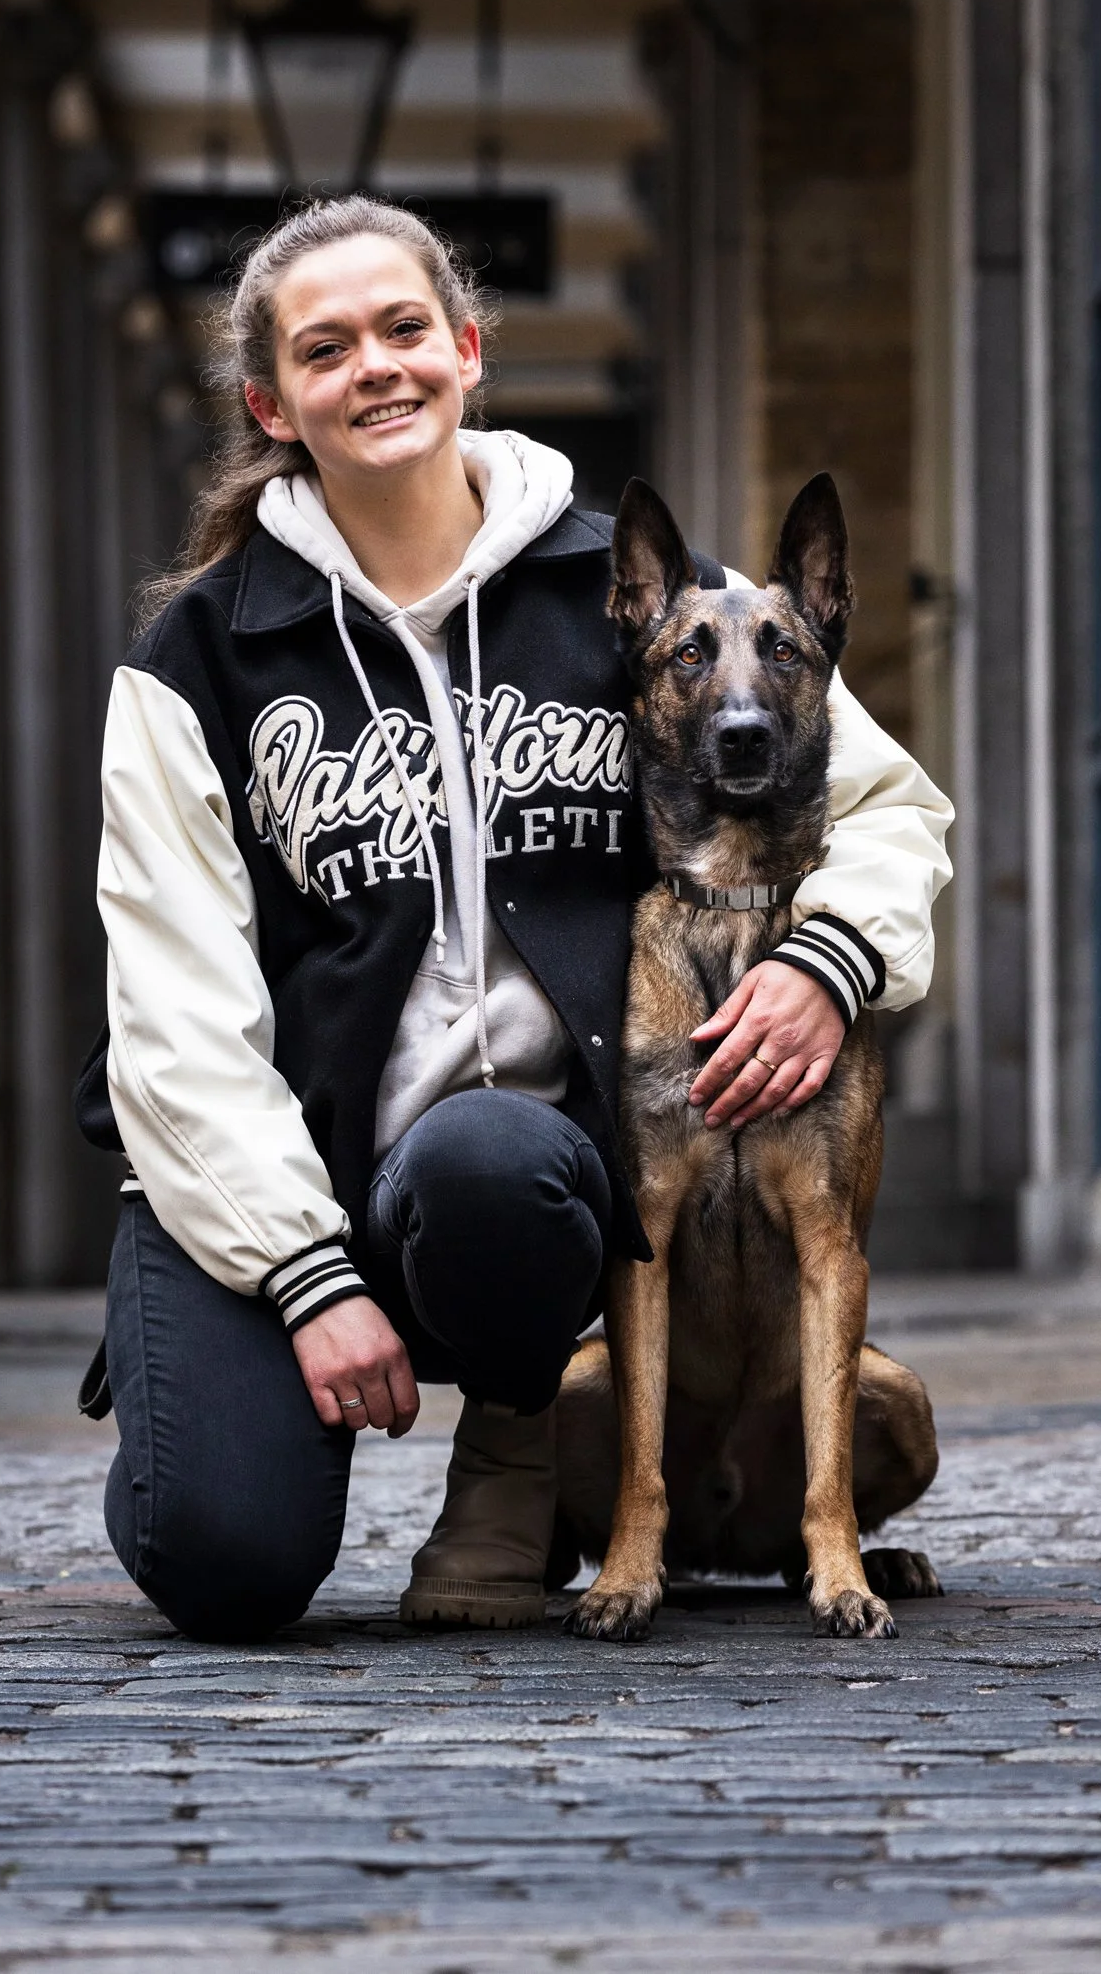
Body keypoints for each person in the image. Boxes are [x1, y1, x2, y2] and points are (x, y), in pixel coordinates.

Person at [76, 193, 953, 1641]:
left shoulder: (644, 607)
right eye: (327, 348)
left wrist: (826, 959)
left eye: (405, 329)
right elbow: (169, 1016)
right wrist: (301, 1272)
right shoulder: (196, 660)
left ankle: (509, 1465)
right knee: (221, 1562)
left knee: (499, 1151)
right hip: (272, 1170)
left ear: (467, 348)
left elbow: (888, 805)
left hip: (509, 1187)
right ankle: (230, 1408)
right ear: (271, 402)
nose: (376, 366)